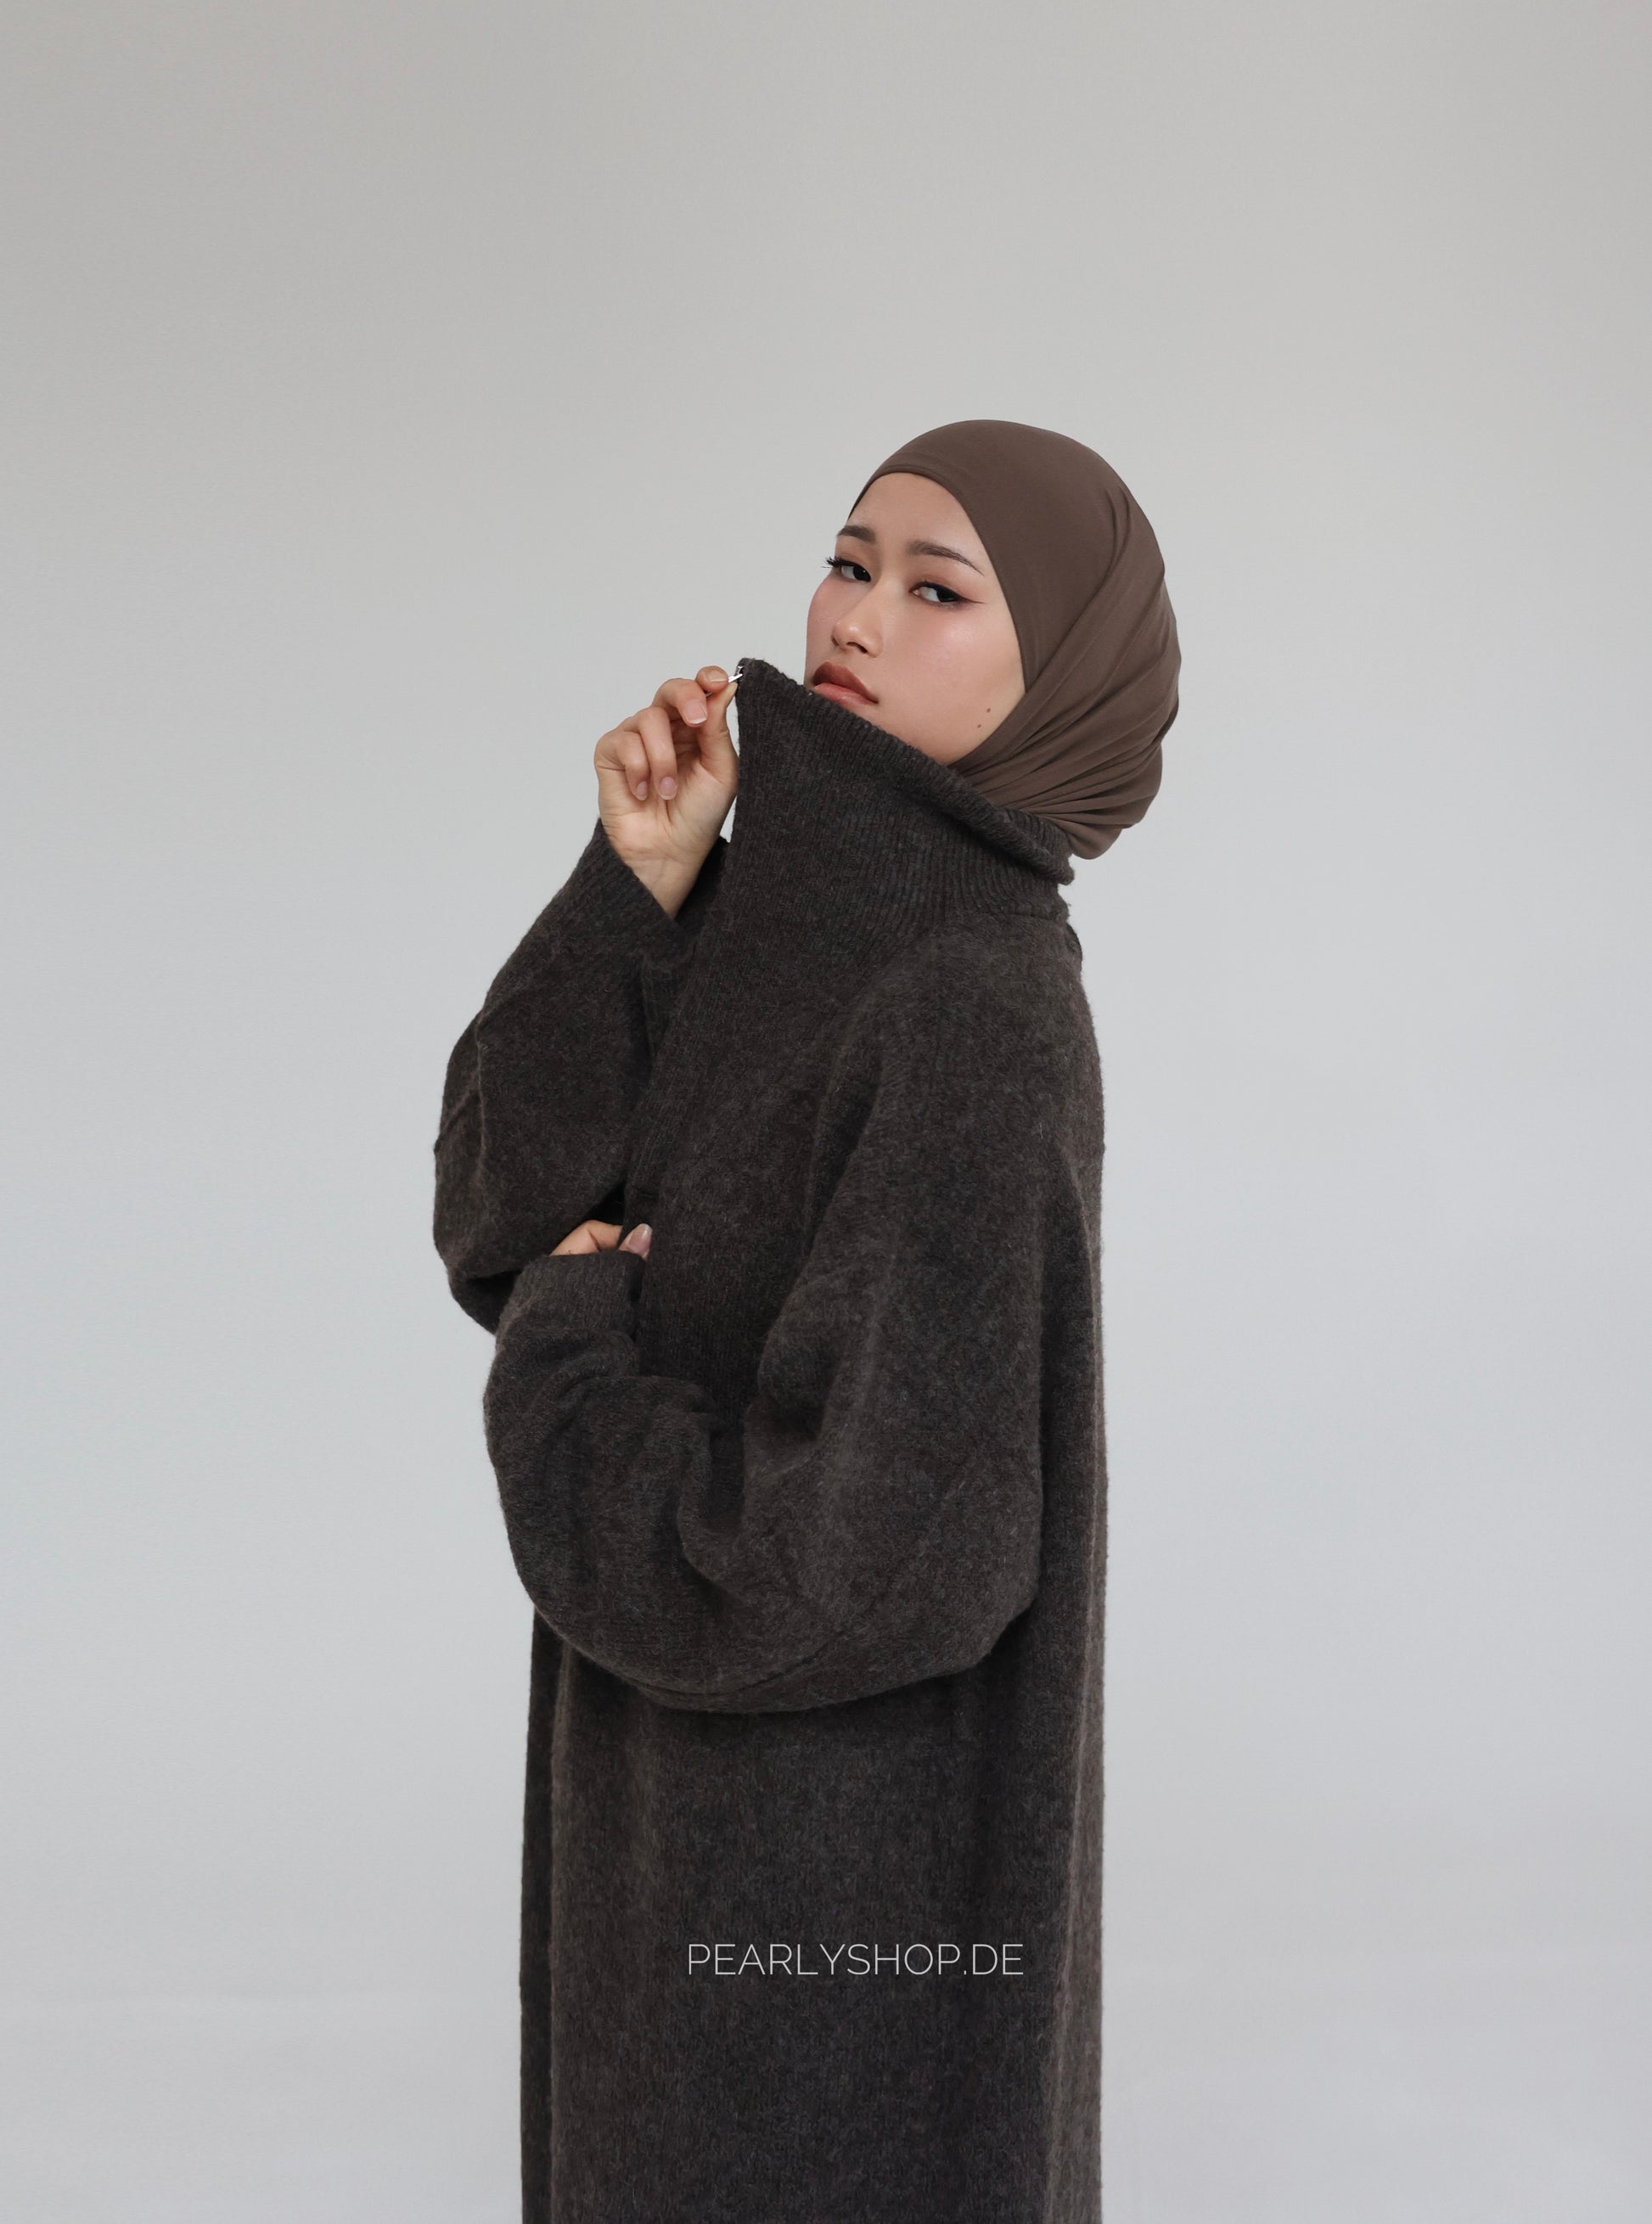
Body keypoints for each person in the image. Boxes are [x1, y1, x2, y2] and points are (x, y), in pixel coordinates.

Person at [433, 418, 1180, 2222]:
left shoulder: (970, 1003)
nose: (854, 614)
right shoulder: (782, 924)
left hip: (845, 1915)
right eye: (849, 560)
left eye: (938, 589)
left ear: (1058, 673)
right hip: (683, 1836)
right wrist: (639, 881)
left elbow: (858, 1567)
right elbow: (503, 1218)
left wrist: (571, 1383)